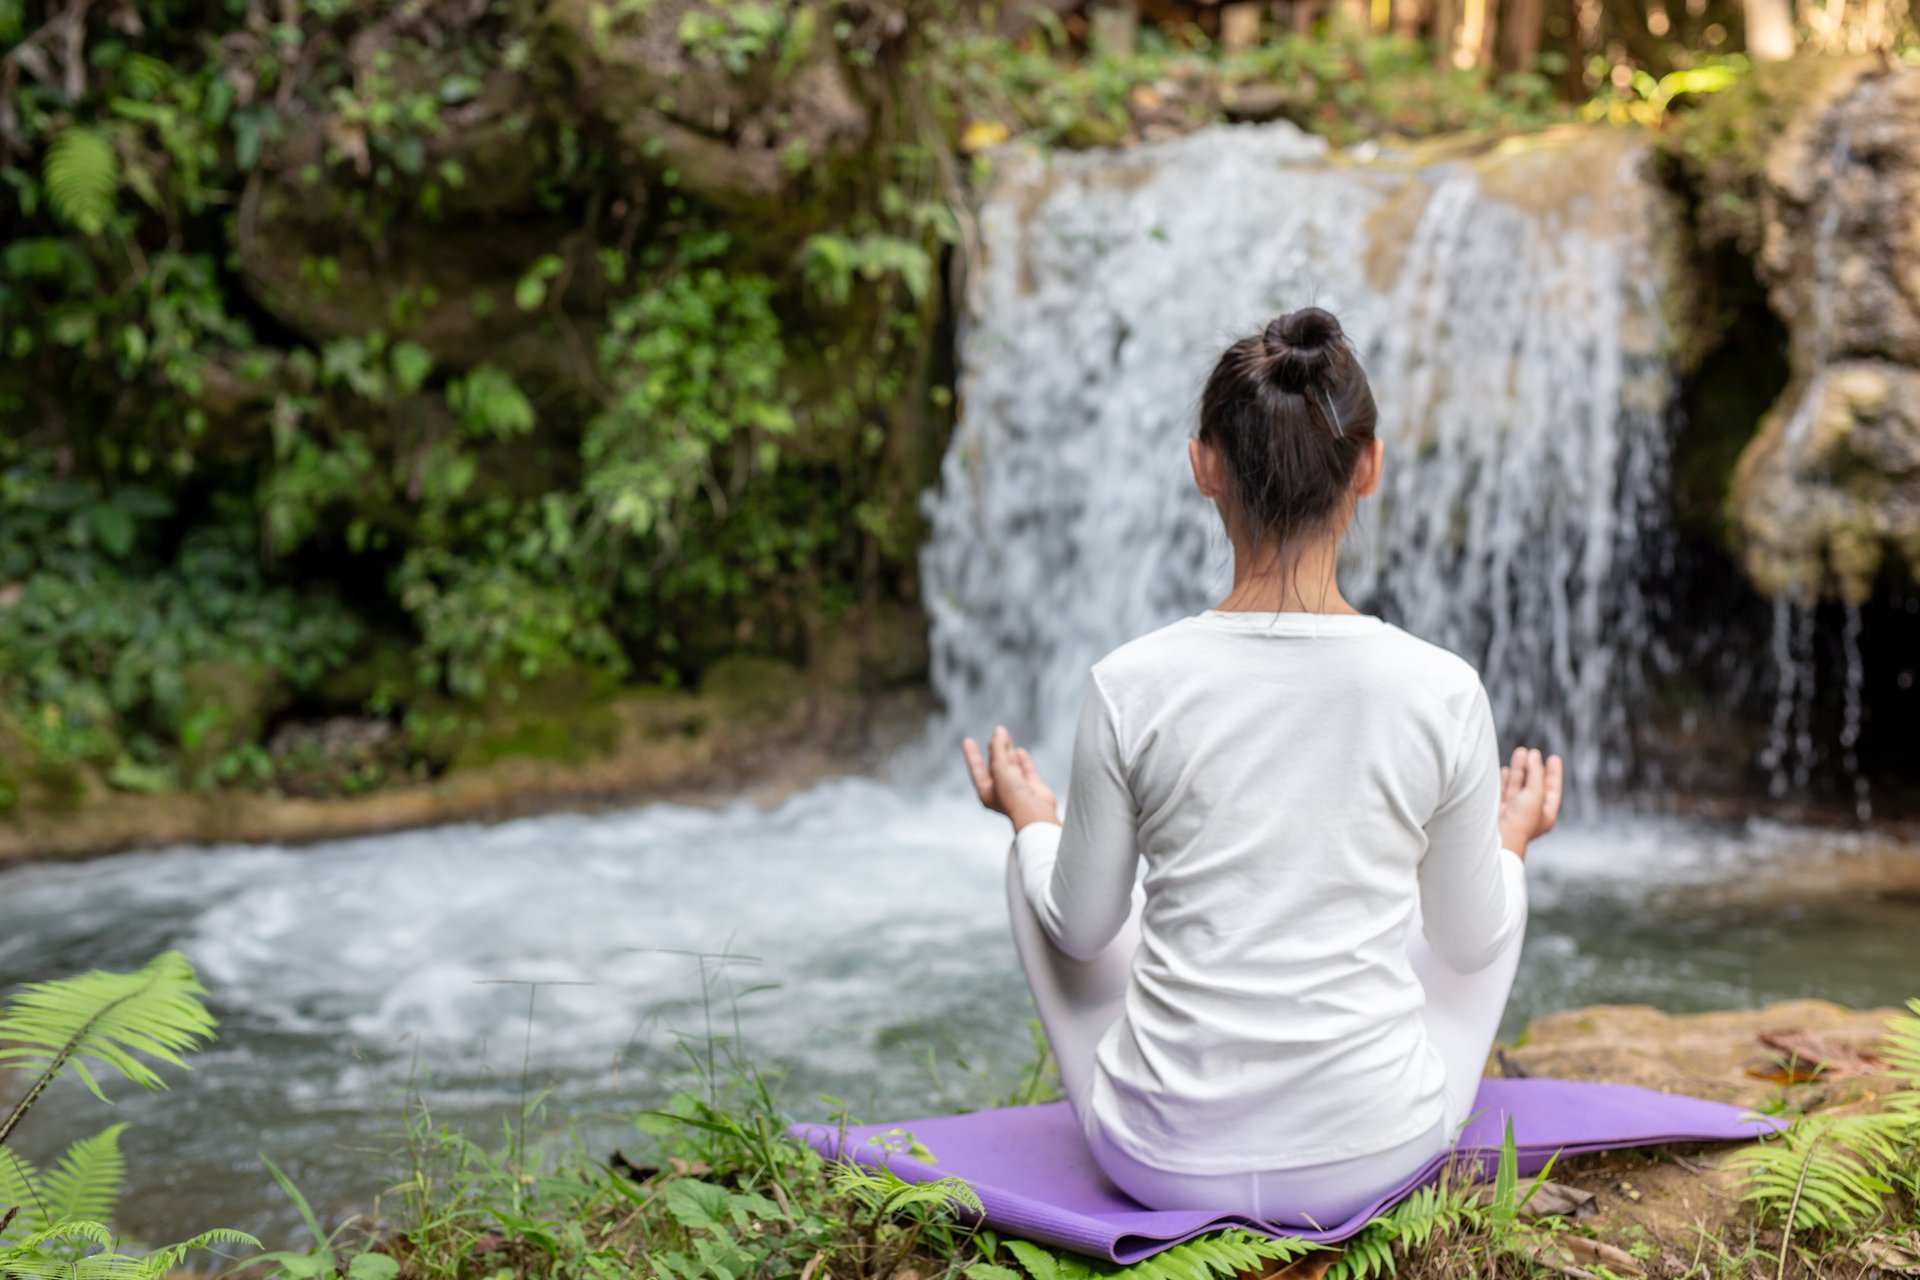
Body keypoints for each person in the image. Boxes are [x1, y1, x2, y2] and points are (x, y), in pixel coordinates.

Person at [959, 307, 1564, 1228]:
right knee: (1478, 892)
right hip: (1374, 1156)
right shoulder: (1444, 689)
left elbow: (1082, 933)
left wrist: (1032, 820)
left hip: (1160, 1162)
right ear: (1370, 466)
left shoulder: (1129, 683)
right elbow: (1471, 945)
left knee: (1036, 863)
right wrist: (1510, 842)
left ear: (1203, 465)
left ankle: (1031, 832)